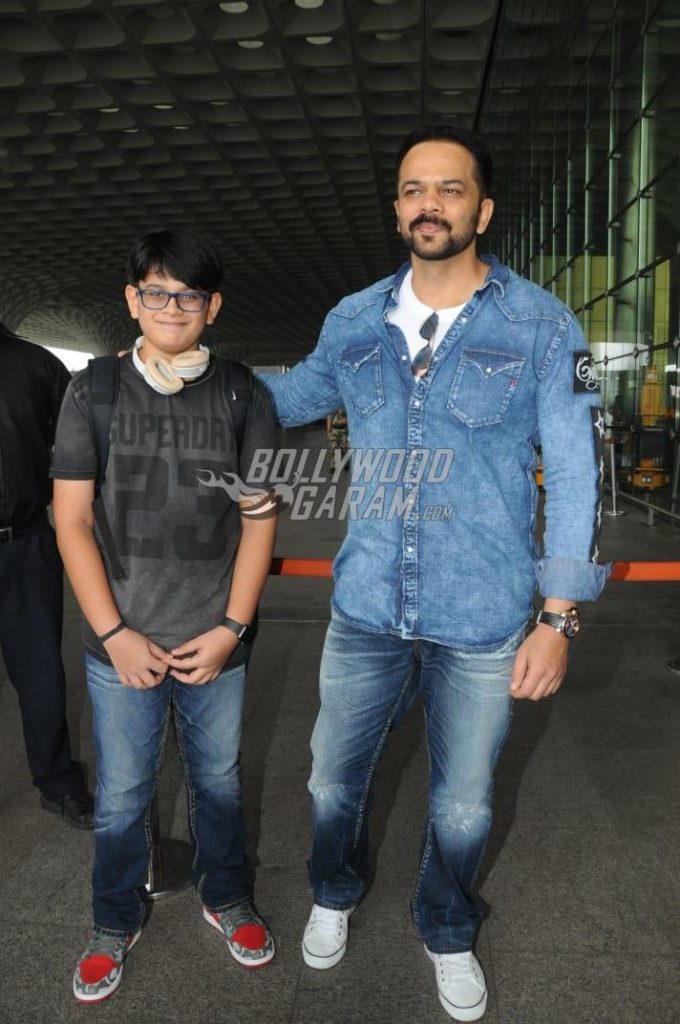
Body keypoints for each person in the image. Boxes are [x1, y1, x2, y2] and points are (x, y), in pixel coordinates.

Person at [259, 126, 609, 1022]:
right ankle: (333, 893)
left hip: (485, 616)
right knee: (331, 778)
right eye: (415, 189)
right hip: (367, 605)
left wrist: (558, 615)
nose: (430, 204)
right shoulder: (355, 318)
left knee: (463, 803)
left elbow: (574, 468)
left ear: (482, 209)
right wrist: (177, 372)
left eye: (450, 189)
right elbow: (287, 399)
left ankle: (447, 926)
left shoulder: (540, 321)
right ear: (398, 209)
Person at [50, 230, 279, 1004]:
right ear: (131, 301)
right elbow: (71, 520)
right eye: (155, 291)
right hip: (121, 642)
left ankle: (228, 898)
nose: (171, 306)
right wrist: (115, 635)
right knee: (121, 792)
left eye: (189, 294)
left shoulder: (246, 394)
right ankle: (114, 920)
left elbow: (259, 520)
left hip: (216, 638)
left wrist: (232, 629)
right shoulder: (93, 393)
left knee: (218, 780)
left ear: (212, 306)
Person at [0, 321, 94, 829]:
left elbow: (79, 448)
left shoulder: (34, 365)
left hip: (24, 545)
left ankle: (58, 783)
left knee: (40, 675)